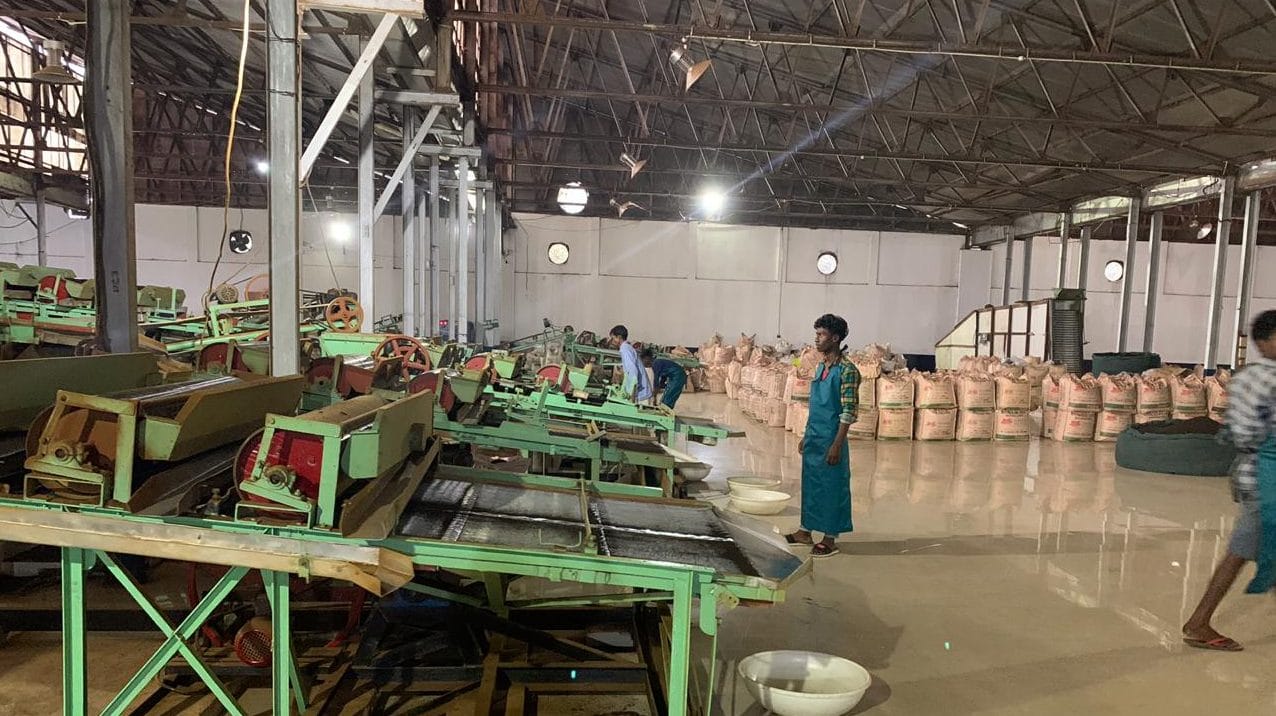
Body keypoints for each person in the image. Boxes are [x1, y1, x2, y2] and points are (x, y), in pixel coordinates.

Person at [1182, 309, 1276, 651]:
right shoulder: (1270, 379)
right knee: (1239, 552)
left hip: (1250, 473)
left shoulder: (1246, 376)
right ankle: (1198, 622)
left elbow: (1237, 430)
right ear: (1265, 341)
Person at [785, 314, 859, 558]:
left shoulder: (847, 371)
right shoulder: (820, 367)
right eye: (816, 333)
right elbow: (816, 405)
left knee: (832, 487)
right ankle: (805, 531)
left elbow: (848, 411)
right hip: (815, 436)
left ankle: (830, 538)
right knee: (811, 484)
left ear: (835, 338)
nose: (816, 339)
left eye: (821, 335)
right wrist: (806, 435)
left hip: (831, 438)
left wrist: (837, 444)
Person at [609, 325, 652, 403]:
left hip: (639, 395)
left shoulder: (625, 349)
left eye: (613, 338)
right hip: (639, 393)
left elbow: (632, 372)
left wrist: (631, 396)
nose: (611, 341)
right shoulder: (627, 348)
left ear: (619, 337)